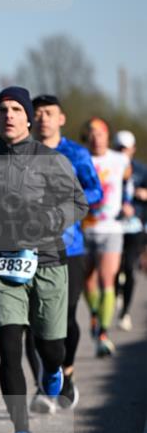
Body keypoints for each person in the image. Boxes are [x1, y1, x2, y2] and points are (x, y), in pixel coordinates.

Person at [0, 87, 88, 433]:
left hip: (47, 261)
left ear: (29, 117)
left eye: (16, 109)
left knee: (51, 346)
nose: (9, 115)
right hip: (2, 263)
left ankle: (52, 370)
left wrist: (49, 219)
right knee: (9, 347)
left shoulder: (51, 159)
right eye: (2, 110)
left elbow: (78, 201)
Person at [25, 95, 103, 411]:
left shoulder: (76, 153)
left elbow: (96, 190)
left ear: (61, 118)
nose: (43, 118)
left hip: (69, 248)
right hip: (29, 248)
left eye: (49, 113)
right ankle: (43, 388)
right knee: (32, 321)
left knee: (66, 318)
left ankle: (65, 374)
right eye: (38, 113)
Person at [81, 117, 132, 356]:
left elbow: (129, 180)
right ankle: (94, 315)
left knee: (106, 280)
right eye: (91, 133)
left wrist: (129, 202)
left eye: (100, 133)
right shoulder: (80, 159)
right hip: (83, 229)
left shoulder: (120, 159)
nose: (95, 137)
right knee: (87, 281)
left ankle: (102, 332)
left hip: (111, 229)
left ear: (107, 136)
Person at [113, 130, 147, 331]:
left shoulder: (141, 170)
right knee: (114, 267)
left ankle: (125, 313)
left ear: (133, 149)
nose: (122, 152)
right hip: (113, 226)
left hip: (135, 226)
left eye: (126, 148)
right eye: (118, 148)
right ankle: (117, 289)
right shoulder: (107, 167)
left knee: (131, 268)